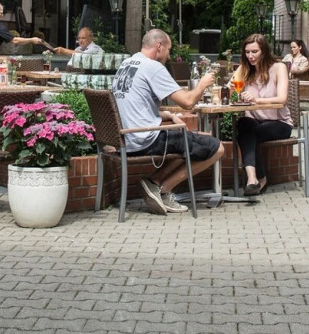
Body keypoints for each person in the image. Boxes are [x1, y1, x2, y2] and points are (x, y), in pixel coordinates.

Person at [112, 28, 224, 215]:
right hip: (145, 139)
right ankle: (163, 189)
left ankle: (153, 183)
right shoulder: (153, 67)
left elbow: (136, 106)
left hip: (126, 139)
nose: (169, 55)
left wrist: (168, 116)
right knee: (217, 147)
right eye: (169, 50)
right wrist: (203, 84)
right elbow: (187, 102)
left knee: (190, 138)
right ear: (159, 46)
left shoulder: (127, 64)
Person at [232, 33, 292, 196]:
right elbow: (233, 89)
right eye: (247, 52)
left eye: (254, 52)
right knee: (243, 124)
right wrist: (232, 89)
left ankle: (259, 178)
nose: (250, 56)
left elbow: (282, 99)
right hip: (255, 121)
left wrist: (256, 100)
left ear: (264, 51)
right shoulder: (245, 70)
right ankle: (253, 179)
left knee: (249, 135)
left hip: (280, 123)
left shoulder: (278, 68)